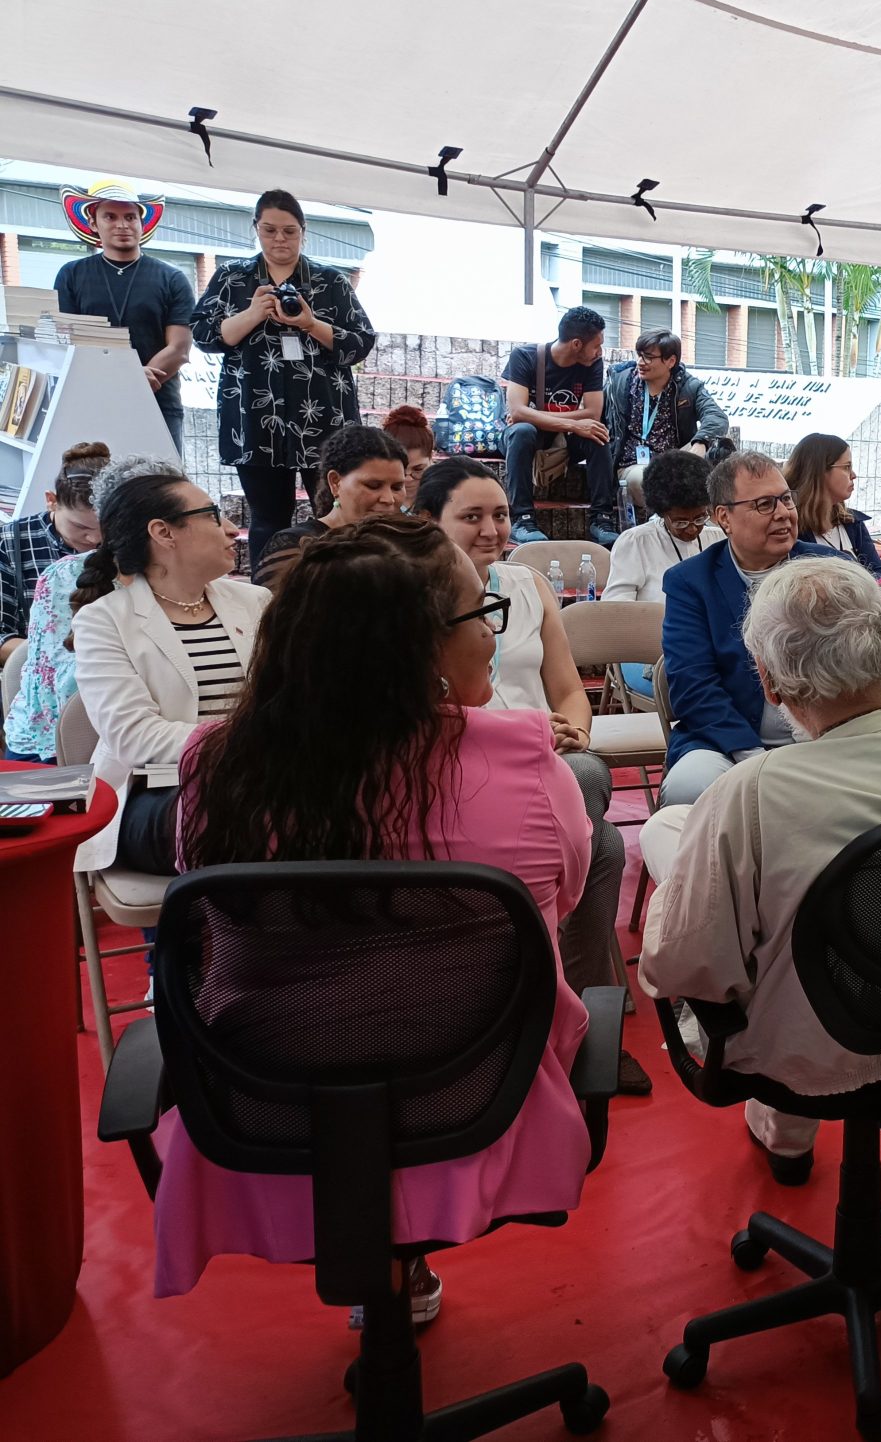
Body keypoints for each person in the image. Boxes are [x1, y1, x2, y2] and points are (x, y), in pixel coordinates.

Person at [159, 516, 598, 1320]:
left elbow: (203, 909)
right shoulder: (528, 763)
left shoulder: (216, 764)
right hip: (482, 1093)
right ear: (420, 649)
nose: (492, 637)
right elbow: (558, 907)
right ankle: (405, 1253)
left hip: (267, 1101)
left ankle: (388, 1267)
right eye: (480, 615)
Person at [637, 555, 881, 1185]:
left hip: (804, 1050)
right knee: (750, 875)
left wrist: (673, 899)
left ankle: (787, 1134)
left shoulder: (751, 791)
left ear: (769, 682)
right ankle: (786, 1132)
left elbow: (683, 968)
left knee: (679, 845)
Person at [414, 457, 645, 1095]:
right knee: (602, 840)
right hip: (463, 758)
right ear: (430, 522)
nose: (492, 530)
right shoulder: (415, 592)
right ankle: (584, 1008)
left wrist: (574, 730)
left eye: (500, 514)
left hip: (545, 752)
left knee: (587, 782)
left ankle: (557, 1000)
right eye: (471, 517)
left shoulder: (526, 583)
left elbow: (568, 689)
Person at [69, 471, 267, 878]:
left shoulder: (256, 601)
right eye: (213, 515)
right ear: (163, 533)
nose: (232, 528)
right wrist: (251, 741)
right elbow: (134, 737)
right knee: (249, 817)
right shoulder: (103, 621)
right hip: (157, 791)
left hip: (260, 779)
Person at [190, 189, 378, 568]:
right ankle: (267, 593)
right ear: (256, 229)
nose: (280, 239)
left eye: (289, 231)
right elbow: (203, 335)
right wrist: (251, 314)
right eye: (270, 230)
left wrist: (310, 323)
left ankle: (334, 586)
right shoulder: (232, 277)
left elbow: (360, 342)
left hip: (324, 416)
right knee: (267, 517)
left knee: (334, 512)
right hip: (255, 417)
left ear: (303, 232)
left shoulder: (330, 281)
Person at [657, 452, 837, 807]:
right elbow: (693, 686)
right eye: (765, 504)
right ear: (723, 517)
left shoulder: (831, 570)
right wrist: (753, 759)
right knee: (690, 788)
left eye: (786, 499)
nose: (784, 513)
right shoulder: (690, 582)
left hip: (824, 738)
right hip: (726, 743)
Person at [6, 455, 177, 764]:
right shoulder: (60, 575)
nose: (94, 538)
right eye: (81, 526)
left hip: (142, 735)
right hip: (58, 742)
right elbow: (63, 686)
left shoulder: (203, 584)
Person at [53, 180, 194, 453]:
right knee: (94, 477)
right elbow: (68, 341)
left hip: (158, 402)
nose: (122, 225)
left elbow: (179, 348)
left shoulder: (172, 278)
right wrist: (127, 377)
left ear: (142, 223)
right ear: (93, 223)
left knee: (160, 478)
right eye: (110, 216)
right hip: (93, 400)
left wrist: (137, 382)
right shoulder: (71, 275)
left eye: (130, 217)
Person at [601, 448, 722, 701]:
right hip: (647, 654)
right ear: (662, 511)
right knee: (696, 688)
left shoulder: (718, 538)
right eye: (680, 521)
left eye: (700, 518)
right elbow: (615, 612)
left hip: (709, 652)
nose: (692, 529)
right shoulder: (636, 542)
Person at [501, 307, 617, 547]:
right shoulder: (525, 357)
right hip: (527, 440)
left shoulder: (592, 364)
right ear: (576, 344)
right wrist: (573, 424)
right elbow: (517, 413)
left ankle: (601, 519)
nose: (600, 352)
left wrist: (534, 415)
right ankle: (522, 519)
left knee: (597, 433)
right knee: (522, 431)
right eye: (596, 346)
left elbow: (593, 413)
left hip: (563, 439)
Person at [252, 425, 407, 584]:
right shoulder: (295, 547)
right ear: (335, 482)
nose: (389, 499)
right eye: (373, 486)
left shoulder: (407, 542)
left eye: (397, 487)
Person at [2, 441, 109, 665]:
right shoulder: (9, 542)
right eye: (81, 527)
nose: (95, 539)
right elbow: (2, 637)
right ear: (51, 501)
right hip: (38, 672)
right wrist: (62, 658)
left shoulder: (126, 540)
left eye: (105, 527)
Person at [603, 329, 728, 514]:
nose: (640, 362)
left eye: (648, 357)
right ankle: (674, 519)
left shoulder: (689, 386)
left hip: (674, 461)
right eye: (639, 355)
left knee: (722, 451)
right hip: (632, 466)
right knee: (649, 480)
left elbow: (717, 417)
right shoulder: (620, 382)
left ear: (670, 361)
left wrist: (701, 442)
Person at [783, 432, 881, 578]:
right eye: (847, 467)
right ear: (819, 472)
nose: (853, 475)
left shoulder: (853, 522)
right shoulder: (790, 528)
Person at [380, 404, 435, 509]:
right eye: (401, 470)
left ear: (431, 458)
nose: (408, 479)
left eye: (418, 470)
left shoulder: (446, 497)